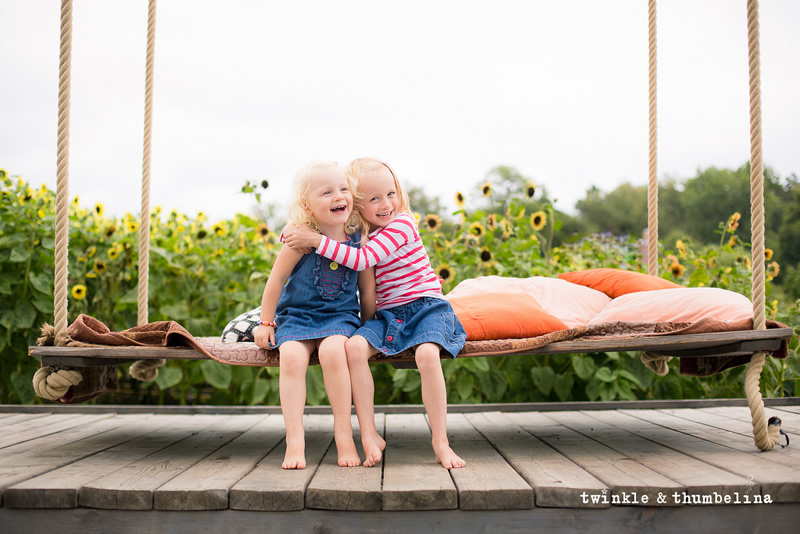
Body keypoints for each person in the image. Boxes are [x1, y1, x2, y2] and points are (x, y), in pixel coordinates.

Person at [283, 157, 467, 469]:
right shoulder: (361, 233)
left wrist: (315, 241)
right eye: (374, 198)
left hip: (426, 308)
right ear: (356, 205)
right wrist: (299, 229)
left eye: (391, 193)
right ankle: (369, 434)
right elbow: (359, 271)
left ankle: (440, 442)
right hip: (389, 316)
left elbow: (362, 260)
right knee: (354, 347)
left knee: (426, 355)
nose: (386, 204)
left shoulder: (402, 224)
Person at [253, 161, 375, 469]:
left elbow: (367, 285)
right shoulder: (299, 239)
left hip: (340, 318)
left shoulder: (358, 238)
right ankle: (295, 440)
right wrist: (266, 322)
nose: (339, 196)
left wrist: (371, 323)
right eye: (327, 192)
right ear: (307, 206)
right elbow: (276, 280)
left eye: (344, 189)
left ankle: (344, 436)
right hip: (298, 317)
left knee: (335, 352)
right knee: (292, 357)